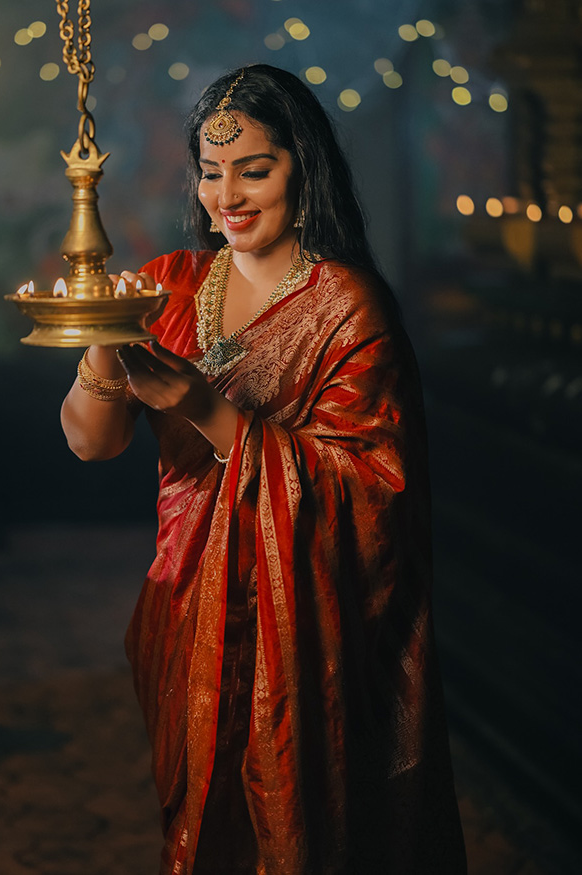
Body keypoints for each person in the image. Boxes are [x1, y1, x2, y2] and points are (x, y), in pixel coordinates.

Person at [61, 64, 467, 875]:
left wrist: (204, 406)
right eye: (211, 173)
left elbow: (372, 496)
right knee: (201, 823)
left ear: (302, 168)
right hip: (186, 605)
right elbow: (91, 442)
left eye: (256, 168)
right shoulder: (170, 285)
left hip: (305, 628)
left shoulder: (346, 306)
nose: (228, 196)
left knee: (299, 825)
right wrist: (103, 334)